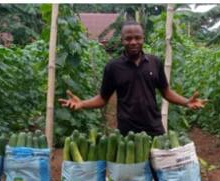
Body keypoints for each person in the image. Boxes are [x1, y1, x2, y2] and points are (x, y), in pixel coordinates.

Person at [60, 19, 206, 135]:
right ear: (122, 40)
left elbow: (166, 92)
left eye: (137, 38)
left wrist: (187, 102)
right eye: (128, 39)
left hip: (154, 128)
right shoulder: (113, 67)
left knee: (156, 170)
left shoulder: (155, 62)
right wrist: (82, 104)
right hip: (127, 132)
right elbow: (103, 99)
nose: (133, 42)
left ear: (143, 38)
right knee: (131, 172)